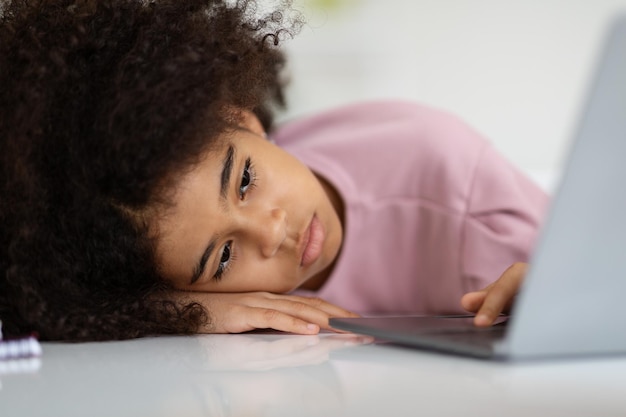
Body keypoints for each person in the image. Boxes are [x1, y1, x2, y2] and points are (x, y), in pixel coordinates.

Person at [0, 0, 547, 342]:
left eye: (243, 182)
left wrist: (540, 292)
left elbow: (592, 283)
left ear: (237, 116)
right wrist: (171, 312)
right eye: (224, 257)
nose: (271, 231)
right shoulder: (169, 275)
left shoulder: (453, 184)